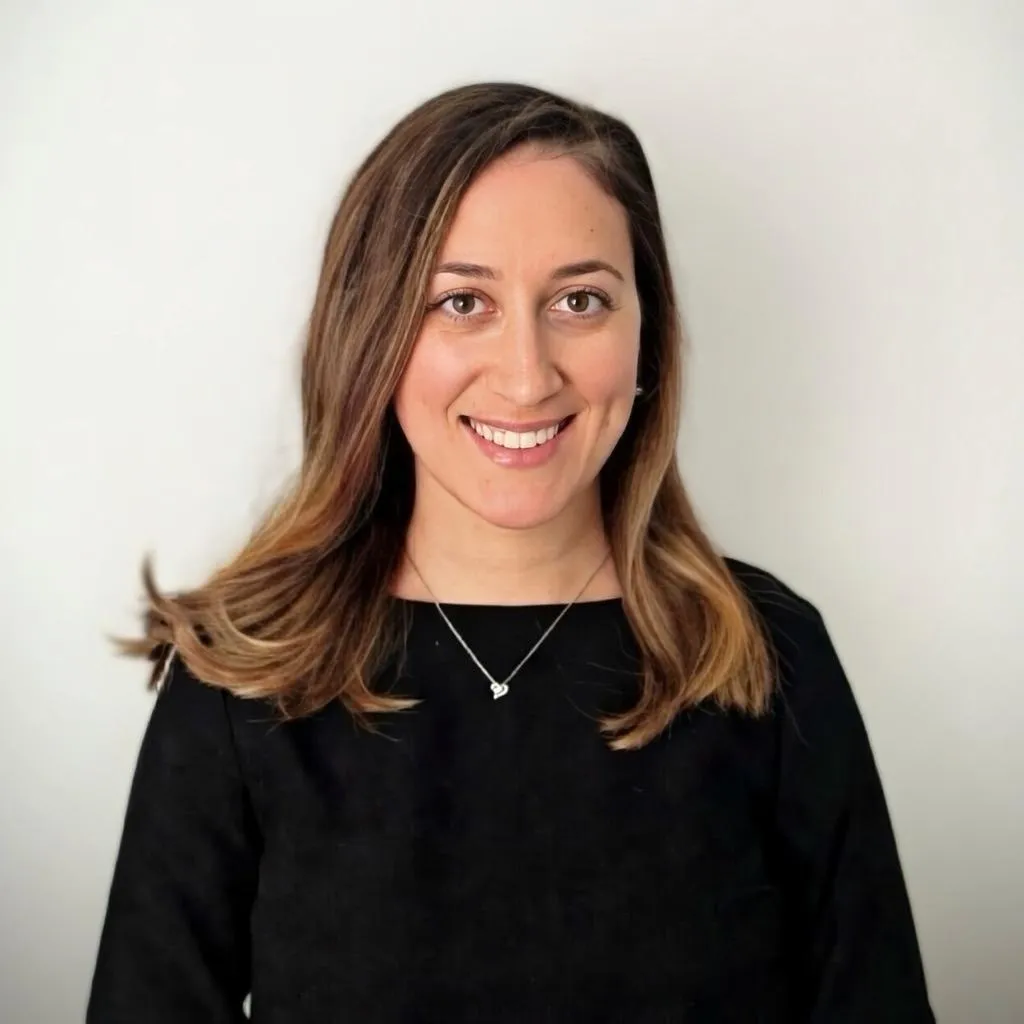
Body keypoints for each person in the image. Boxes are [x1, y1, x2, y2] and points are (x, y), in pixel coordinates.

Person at [87, 82, 935, 1022]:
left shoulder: (766, 655)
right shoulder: (241, 676)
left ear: (645, 334)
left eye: (580, 299)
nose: (528, 376)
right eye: (461, 302)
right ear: (371, 339)